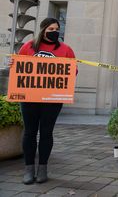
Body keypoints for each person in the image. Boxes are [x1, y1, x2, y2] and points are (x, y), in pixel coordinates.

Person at [12, 18, 76, 184]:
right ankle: (28, 169)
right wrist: (13, 63)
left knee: (46, 133)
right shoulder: (28, 47)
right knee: (29, 132)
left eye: (57, 29)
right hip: (29, 97)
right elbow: (18, 68)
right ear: (43, 30)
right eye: (51, 28)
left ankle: (42, 168)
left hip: (52, 99)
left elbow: (72, 72)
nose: (54, 31)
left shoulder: (66, 49)